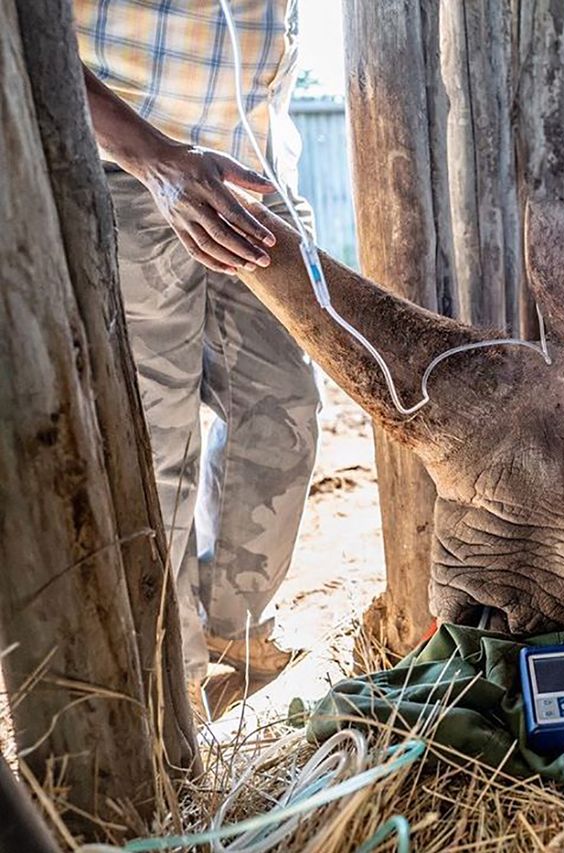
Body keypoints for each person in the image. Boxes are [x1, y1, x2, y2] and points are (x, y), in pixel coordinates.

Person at [73, 0, 320, 712]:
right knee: (158, 441)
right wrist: (155, 161)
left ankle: (230, 625)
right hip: (131, 173)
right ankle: (172, 690)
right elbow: (27, 38)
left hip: (256, 184)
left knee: (287, 408)